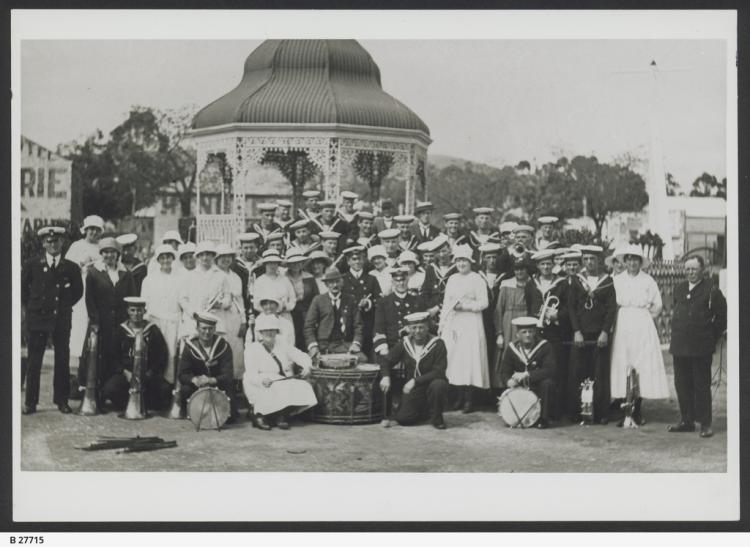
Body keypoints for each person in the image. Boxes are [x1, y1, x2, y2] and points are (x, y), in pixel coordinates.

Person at [22, 226, 84, 414]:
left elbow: (77, 292)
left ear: (62, 243)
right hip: (38, 317)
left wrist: (63, 307)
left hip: (61, 318)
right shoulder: (32, 264)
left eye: (56, 241)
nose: (53, 244)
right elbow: (23, 289)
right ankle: (31, 402)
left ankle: (62, 400)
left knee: (62, 359)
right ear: (43, 243)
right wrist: (32, 307)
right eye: (49, 241)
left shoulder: (71, 267)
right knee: (35, 360)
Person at [610, 244, 670, 426]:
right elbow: (611, 304)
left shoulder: (648, 281)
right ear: (625, 261)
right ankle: (625, 410)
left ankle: (638, 410)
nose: (632, 263)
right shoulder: (616, 280)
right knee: (623, 362)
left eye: (636, 260)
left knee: (641, 364)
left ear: (640, 262)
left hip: (642, 324)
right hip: (623, 323)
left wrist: (645, 317)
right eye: (629, 259)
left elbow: (658, 305)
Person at [668, 256, 727, 438]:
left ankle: (705, 423)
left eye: (694, 269)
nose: (690, 273)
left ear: (702, 270)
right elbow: (675, 311)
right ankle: (687, 420)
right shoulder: (679, 289)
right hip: (680, 345)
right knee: (682, 384)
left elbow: (722, 317)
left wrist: (711, 336)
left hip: (701, 346)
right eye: (687, 269)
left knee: (701, 384)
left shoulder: (712, 290)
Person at [82, 237, 138, 397]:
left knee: (116, 356)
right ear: (101, 254)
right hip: (100, 322)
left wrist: (129, 322)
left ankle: (113, 393)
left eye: (112, 252)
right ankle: (96, 395)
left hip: (120, 324)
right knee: (98, 356)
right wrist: (94, 322)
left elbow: (132, 298)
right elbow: (90, 300)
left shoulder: (126, 273)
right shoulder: (94, 273)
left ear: (118, 254)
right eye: (105, 252)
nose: (109, 256)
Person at [567, 245, 617, 424]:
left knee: (600, 372)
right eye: (586, 259)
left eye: (592, 259)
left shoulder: (608, 281)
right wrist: (577, 332)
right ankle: (577, 412)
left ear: (599, 261)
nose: (589, 263)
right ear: (582, 261)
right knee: (578, 371)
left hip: (599, 335)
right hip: (581, 333)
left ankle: (601, 412)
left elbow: (611, 310)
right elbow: (571, 308)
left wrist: (605, 332)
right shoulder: (576, 281)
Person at [439, 244, 490, 413]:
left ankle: (469, 399)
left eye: (464, 261)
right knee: (455, 359)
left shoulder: (477, 279)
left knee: (469, 359)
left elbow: (484, 303)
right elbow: (446, 303)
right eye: (459, 260)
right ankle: (458, 396)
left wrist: (465, 307)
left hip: (471, 323)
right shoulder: (452, 279)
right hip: (454, 323)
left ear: (470, 262)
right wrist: (442, 324)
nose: (461, 264)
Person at [243, 314, 317, 430]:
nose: (269, 333)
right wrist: (261, 380)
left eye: (272, 330)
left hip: (279, 379)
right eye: (265, 330)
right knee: (269, 390)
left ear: (276, 331)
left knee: (303, 386)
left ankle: (281, 414)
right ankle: (260, 415)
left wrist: (306, 366)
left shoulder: (282, 343)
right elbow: (251, 373)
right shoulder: (252, 348)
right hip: (260, 381)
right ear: (260, 332)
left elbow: (299, 355)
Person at [380, 311, 449, 429]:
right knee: (404, 419)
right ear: (408, 329)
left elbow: (439, 371)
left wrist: (415, 381)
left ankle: (437, 418)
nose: (417, 331)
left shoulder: (438, 344)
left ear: (427, 327)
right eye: (414, 328)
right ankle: (423, 411)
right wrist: (385, 376)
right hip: (414, 389)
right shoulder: (404, 343)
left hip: (431, 384)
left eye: (421, 327)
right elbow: (386, 361)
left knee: (439, 385)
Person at [104, 297, 171, 411]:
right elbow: (112, 356)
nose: (136, 313)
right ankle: (129, 405)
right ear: (128, 311)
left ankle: (145, 404)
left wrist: (150, 373)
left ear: (144, 311)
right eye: (133, 310)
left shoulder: (153, 330)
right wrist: (125, 372)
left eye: (139, 310)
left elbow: (162, 355)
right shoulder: (121, 331)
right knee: (109, 389)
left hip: (148, 374)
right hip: (127, 374)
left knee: (165, 390)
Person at [493, 257, 543, 391]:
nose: (519, 272)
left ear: (527, 270)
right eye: (516, 269)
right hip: (508, 322)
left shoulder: (533, 284)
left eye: (522, 269)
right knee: (507, 354)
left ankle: (525, 385)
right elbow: (498, 310)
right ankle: (504, 387)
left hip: (526, 320)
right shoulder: (506, 284)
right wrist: (499, 333)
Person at [178, 311, 237, 423]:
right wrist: (194, 379)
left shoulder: (223, 346)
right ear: (197, 328)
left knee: (230, 414)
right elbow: (182, 374)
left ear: (215, 329)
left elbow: (228, 375)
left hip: (218, 385)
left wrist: (211, 380)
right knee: (185, 389)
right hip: (197, 386)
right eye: (203, 328)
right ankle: (193, 413)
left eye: (210, 328)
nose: (207, 332)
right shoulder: (190, 347)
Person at [499, 316, 558, 429]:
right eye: (524, 332)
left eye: (530, 331)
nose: (527, 335)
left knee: (548, 384)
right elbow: (504, 371)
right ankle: (516, 417)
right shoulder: (512, 348)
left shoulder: (545, 346)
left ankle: (543, 419)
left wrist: (528, 374)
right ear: (517, 334)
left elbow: (550, 370)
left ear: (535, 333)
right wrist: (508, 381)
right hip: (519, 387)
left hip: (538, 386)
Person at [304, 269, 366, 364]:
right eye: (331, 282)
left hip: (344, 345)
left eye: (337, 281)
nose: (335, 285)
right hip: (323, 345)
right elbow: (309, 326)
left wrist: (356, 343)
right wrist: (313, 346)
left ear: (342, 282)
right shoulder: (318, 300)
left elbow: (358, 325)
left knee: (362, 360)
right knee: (312, 363)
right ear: (326, 284)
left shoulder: (350, 299)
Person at [140, 244, 181, 386]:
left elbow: (182, 301)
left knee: (171, 354)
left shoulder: (179, 278)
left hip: (173, 322)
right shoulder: (149, 279)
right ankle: (153, 386)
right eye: (162, 258)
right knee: (155, 354)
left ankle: (168, 387)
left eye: (168, 257)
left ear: (172, 259)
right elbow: (144, 303)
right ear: (158, 260)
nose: (165, 260)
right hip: (154, 321)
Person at [65, 214, 103, 365]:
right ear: (85, 230)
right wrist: (81, 265)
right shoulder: (77, 246)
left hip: (97, 289)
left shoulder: (102, 247)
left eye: (96, 229)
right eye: (90, 229)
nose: (93, 232)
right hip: (80, 289)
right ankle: (77, 363)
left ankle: (92, 358)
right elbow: (67, 268)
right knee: (79, 323)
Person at [214, 244, 248, 385]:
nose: (225, 260)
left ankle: (235, 384)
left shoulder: (236, 277)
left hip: (234, 317)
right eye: (222, 257)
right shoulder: (213, 275)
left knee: (236, 351)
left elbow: (240, 300)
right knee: (220, 348)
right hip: (219, 316)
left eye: (228, 257)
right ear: (217, 259)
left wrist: (243, 320)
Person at [341, 245, 381, 357]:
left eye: (360, 258)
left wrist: (368, 303)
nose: (357, 262)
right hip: (349, 323)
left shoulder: (371, 279)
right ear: (348, 261)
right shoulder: (342, 279)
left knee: (367, 353)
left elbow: (379, 300)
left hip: (367, 321)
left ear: (364, 260)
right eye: (354, 259)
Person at [253, 249, 297, 330]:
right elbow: (256, 303)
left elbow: (292, 298)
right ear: (265, 264)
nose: (272, 265)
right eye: (269, 262)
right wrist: (269, 311)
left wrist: (286, 307)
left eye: (274, 263)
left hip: (284, 316)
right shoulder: (259, 281)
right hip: (266, 317)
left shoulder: (285, 280)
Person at [284, 248, 319, 350]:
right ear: (289, 264)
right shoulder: (283, 277)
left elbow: (315, 297)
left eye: (299, 262)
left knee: (306, 339)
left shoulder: (309, 277)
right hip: (289, 313)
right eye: (293, 263)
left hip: (306, 313)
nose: (296, 265)